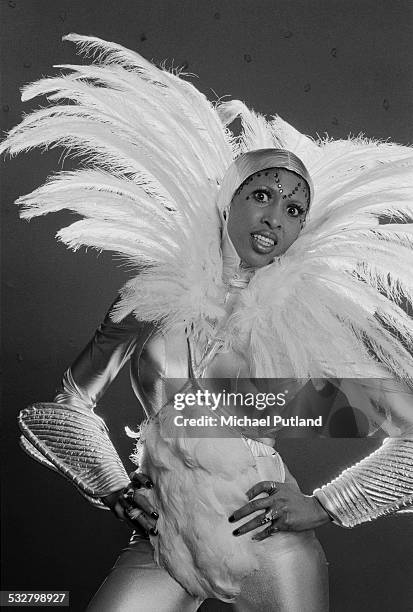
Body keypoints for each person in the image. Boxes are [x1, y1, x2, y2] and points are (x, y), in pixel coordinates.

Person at [2, 34, 413, 611]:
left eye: (294, 210)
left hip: (266, 539)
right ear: (227, 200)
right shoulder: (149, 297)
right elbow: (68, 405)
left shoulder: (306, 312)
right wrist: (118, 490)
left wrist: (326, 504)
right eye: (262, 195)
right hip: (165, 539)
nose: (275, 218)